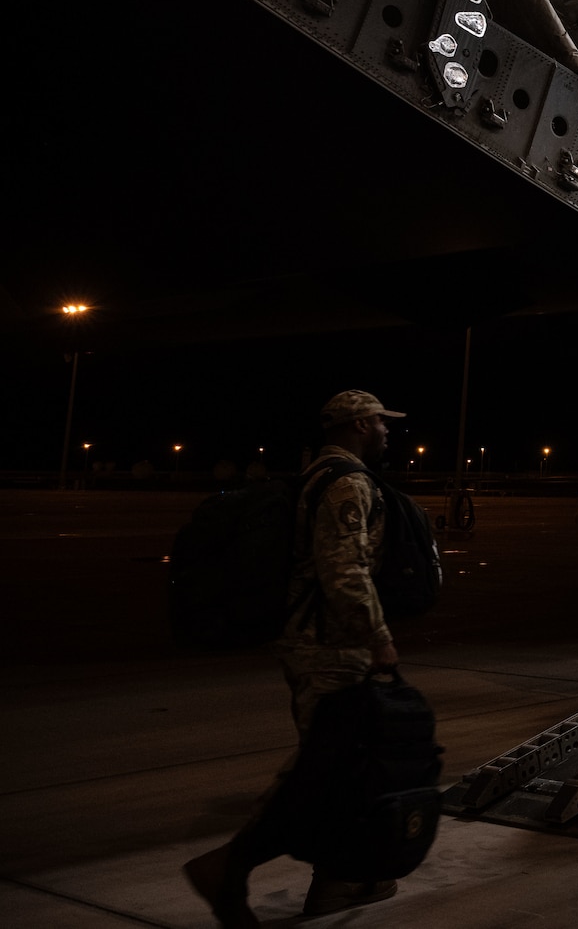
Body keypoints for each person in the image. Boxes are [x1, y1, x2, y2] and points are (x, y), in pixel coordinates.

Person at [184, 391, 410, 927]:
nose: (387, 431)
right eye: (381, 422)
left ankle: (341, 878)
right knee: (325, 765)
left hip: (313, 640)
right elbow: (344, 570)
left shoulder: (314, 474)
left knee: (341, 765)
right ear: (359, 423)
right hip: (331, 645)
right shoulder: (348, 482)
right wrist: (378, 638)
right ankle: (230, 867)